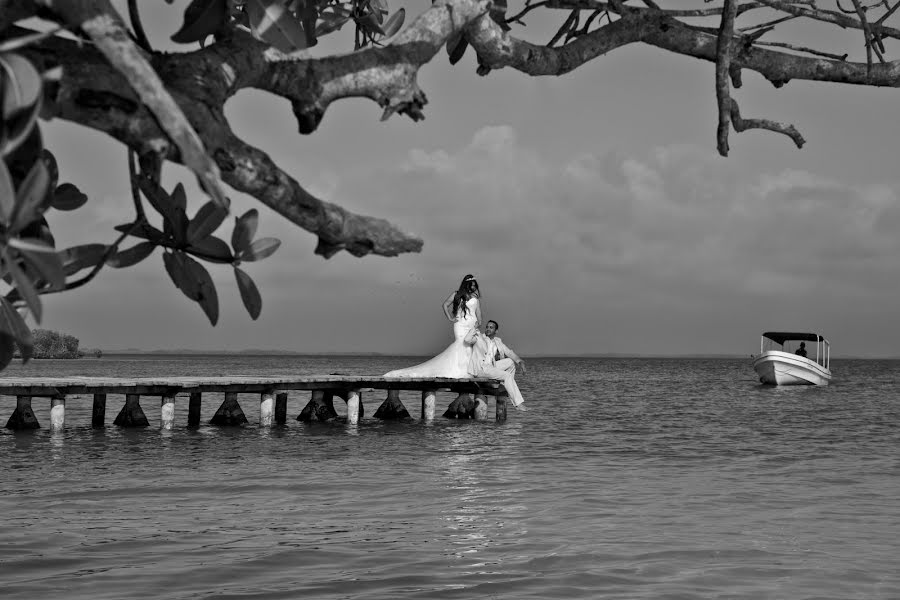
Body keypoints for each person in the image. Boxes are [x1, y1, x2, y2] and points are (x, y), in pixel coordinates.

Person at [384, 274, 482, 378]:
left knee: (470, 347)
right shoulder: (456, 295)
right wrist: (450, 318)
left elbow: (478, 311)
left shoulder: (475, 297)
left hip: (472, 324)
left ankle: (469, 370)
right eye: (471, 285)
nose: (473, 287)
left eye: (474, 285)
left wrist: (479, 321)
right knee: (461, 345)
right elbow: (445, 305)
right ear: (466, 285)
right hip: (460, 324)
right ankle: (459, 370)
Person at [464, 325, 527, 411]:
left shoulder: (498, 341)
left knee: (510, 362)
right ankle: (518, 403)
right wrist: (474, 328)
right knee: (507, 376)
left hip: (491, 366)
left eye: (491, 327)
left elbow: (508, 352)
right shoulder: (479, 337)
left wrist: (520, 361)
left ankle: (503, 386)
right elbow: (467, 339)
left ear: (496, 331)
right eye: (487, 327)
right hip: (481, 368)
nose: (488, 329)